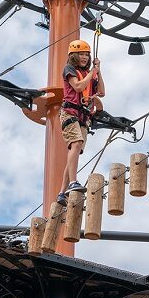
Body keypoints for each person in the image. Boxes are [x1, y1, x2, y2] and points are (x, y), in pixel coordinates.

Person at [57, 39, 105, 205]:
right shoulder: (69, 69)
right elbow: (77, 87)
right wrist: (92, 73)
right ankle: (72, 183)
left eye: (86, 55)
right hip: (69, 112)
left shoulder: (90, 73)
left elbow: (102, 92)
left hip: (83, 116)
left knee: (74, 152)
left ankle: (62, 193)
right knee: (76, 144)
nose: (84, 57)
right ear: (73, 56)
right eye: (81, 54)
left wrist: (98, 70)